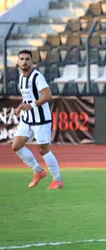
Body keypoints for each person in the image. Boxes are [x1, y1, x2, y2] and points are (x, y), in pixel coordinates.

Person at [12, 49, 63, 190]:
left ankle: (57, 179)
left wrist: (32, 105)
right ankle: (38, 171)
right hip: (27, 119)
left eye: (27, 59)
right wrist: (20, 107)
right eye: (21, 59)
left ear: (32, 61)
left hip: (41, 119)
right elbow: (28, 97)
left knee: (43, 150)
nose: (24, 62)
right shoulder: (21, 78)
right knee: (16, 146)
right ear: (18, 61)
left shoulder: (37, 77)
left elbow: (48, 96)